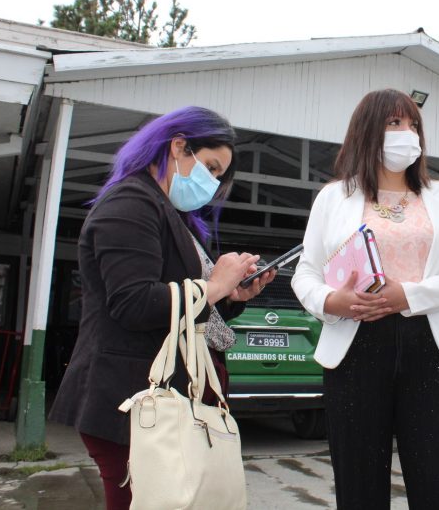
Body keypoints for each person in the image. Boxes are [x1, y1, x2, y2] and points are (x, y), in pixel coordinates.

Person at [49, 106, 274, 510]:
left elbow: (184, 305)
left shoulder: (171, 213)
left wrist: (229, 295)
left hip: (160, 403)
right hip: (131, 403)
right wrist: (213, 285)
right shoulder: (129, 204)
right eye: (210, 166)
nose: (212, 181)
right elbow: (134, 304)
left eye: (219, 175)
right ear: (178, 146)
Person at [291, 89, 439, 509]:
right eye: (395, 123)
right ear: (367, 131)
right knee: (359, 484)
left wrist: (407, 296)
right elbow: (305, 273)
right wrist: (330, 301)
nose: (407, 133)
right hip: (356, 346)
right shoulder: (333, 197)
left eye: (413, 125)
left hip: (428, 345)